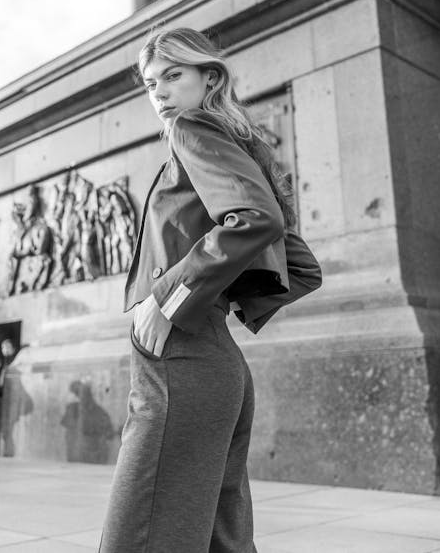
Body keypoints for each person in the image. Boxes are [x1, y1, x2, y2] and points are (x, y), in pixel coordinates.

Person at [99, 28, 322, 553]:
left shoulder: (191, 129)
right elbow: (301, 266)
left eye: (174, 76)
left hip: (180, 357)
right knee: (219, 538)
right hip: (218, 366)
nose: (160, 93)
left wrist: (170, 300)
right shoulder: (241, 146)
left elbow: (255, 220)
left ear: (209, 76)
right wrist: (216, 296)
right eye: (152, 83)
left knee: (143, 537)